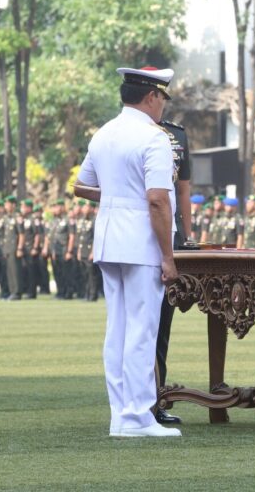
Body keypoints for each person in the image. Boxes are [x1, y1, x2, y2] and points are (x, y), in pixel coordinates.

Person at [74, 66, 180, 438]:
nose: (163, 106)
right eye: (162, 99)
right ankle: (137, 417)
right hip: (141, 242)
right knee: (141, 330)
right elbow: (157, 201)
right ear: (151, 96)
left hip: (109, 239)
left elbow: (81, 186)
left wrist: (119, 196)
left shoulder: (103, 134)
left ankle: (121, 415)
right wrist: (168, 257)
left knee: (117, 330)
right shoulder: (154, 138)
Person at [155, 112, 192, 425]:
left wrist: (187, 237)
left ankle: (156, 399)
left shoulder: (176, 135)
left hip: (171, 237)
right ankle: (140, 402)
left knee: (162, 324)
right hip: (140, 236)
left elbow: (183, 188)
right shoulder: (124, 132)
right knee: (141, 328)